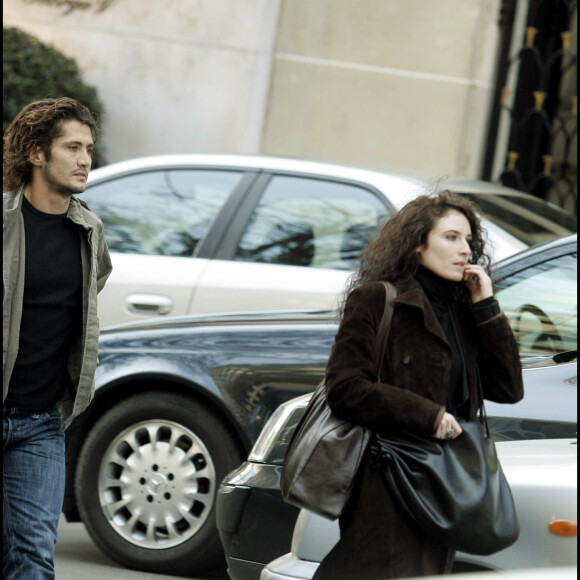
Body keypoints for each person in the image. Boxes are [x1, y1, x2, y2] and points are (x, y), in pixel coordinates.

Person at [313, 190, 524, 580]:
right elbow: (344, 387)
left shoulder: (463, 308)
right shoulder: (379, 299)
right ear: (416, 245)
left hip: (448, 482)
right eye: (451, 237)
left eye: (468, 240)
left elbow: (508, 389)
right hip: (390, 478)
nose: (465, 250)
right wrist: (427, 416)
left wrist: (487, 309)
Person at [3, 97, 112, 579]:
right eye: (72, 147)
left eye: (89, 147)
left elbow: (94, 287)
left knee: (33, 558)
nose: (85, 159)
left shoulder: (88, 232)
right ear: (36, 153)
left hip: (40, 423)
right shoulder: (5, 222)